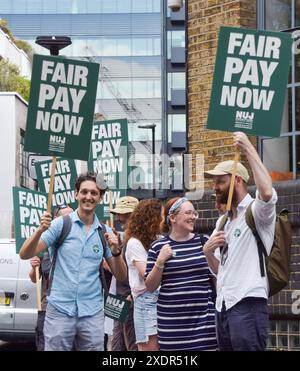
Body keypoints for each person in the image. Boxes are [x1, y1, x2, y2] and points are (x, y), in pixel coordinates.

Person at [20, 171, 127, 351]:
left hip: (92, 313)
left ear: (100, 197)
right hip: (60, 311)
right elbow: (24, 253)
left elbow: (121, 275)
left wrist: (116, 252)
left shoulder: (105, 232)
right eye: (84, 192)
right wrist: (39, 230)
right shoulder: (61, 224)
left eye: (94, 193)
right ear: (76, 194)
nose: (88, 197)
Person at [203, 131, 278, 351]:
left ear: (237, 180)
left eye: (220, 181)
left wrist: (247, 146)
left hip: (248, 304)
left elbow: (266, 192)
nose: (214, 187)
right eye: (214, 182)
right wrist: (208, 252)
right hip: (224, 306)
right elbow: (219, 269)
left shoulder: (256, 212)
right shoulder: (222, 222)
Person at [145, 197, 217, 351]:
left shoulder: (204, 242)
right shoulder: (157, 247)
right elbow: (150, 286)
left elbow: (218, 275)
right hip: (172, 326)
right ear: (172, 218)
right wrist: (159, 262)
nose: (193, 217)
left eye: (194, 213)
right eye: (188, 213)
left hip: (204, 324)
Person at [29, 204, 73, 351]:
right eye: (64, 217)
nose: (68, 220)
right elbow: (35, 279)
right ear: (55, 219)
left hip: (69, 310)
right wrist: (34, 267)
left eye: (71, 217)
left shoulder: (75, 245)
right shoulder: (45, 245)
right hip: (46, 308)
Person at [125, 198, 163, 351]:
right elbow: (146, 274)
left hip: (161, 299)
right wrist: (161, 260)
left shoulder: (157, 240)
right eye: (161, 215)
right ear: (152, 218)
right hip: (146, 301)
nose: (164, 219)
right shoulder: (134, 243)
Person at [109, 196, 139, 351]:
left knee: (131, 344)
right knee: (117, 343)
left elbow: (128, 272)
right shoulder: (126, 239)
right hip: (118, 297)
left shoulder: (138, 240)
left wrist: (113, 255)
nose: (119, 218)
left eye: (123, 215)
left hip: (130, 299)